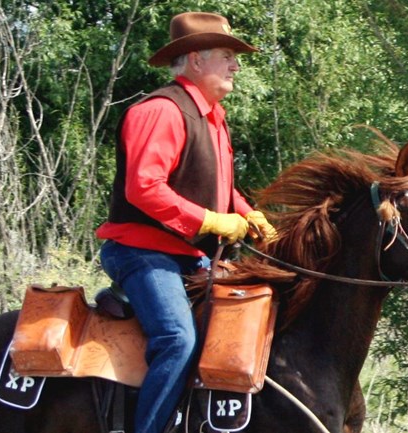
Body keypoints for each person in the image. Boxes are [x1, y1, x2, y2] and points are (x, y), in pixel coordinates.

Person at [95, 11, 277, 433]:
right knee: (178, 339)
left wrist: (248, 214)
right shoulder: (160, 111)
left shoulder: (214, 117)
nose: (236, 65)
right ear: (196, 60)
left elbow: (216, 185)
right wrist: (212, 221)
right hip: (141, 253)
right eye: (228, 56)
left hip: (186, 256)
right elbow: (144, 188)